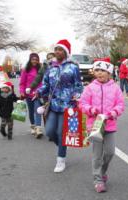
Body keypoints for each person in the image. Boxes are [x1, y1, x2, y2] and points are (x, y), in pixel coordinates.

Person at [37, 39, 83, 173]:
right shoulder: (50, 67)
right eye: (56, 49)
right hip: (53, 104)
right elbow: (46, 84)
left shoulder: (73, 67)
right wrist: (38, 92)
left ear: (66, 52)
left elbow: (78, 85)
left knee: (61, 132)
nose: (57, 52)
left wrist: (77, 95)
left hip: (68, 105)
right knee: (50, 131)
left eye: (60, 49)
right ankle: (62, 146)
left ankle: (61, 159)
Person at [80, 57, 124, 193]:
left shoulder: (116, 88)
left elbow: (120, 105)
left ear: (109, 73)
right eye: (97, 70)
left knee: (110, 152)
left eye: (103, 70)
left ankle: (102, 171)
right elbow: (82, 104)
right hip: (94, 126)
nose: (99, 73)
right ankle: (98, 180)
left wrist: (112, 113)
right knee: (97, 155)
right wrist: (91, 110)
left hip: (109, 125)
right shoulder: (90, 88)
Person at [19, 53, 43, 139]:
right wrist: (22, 92)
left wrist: (39, 91)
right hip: (28, 94)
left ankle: (38, 129)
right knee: (31, 111)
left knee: (38, 111)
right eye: (33, 59)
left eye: (36, 59)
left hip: (37, 94)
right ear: (30, 60)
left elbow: (42, 82)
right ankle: (33, 126)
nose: (35, 61)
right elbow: (22, 83)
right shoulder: (26, 70)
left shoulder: (41, 69)